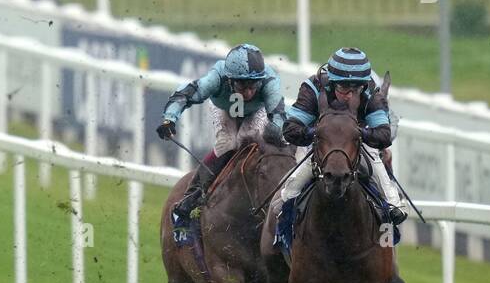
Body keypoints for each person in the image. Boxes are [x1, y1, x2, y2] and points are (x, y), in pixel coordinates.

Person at [279, 47, 406, 233]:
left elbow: (383, 135)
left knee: (374, 156)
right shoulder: (313, 88)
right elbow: (290, 129)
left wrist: (356, 133)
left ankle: (393, 203)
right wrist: (320, 133)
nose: (350, 95)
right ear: (331, 82)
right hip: (321, 146)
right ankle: (282, 232)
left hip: (358, 145)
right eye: (344, 87)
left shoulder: (370, 90)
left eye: (356, 89)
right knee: (289, 192)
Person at [156, 43, 286, 223]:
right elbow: (186, 94)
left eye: (253, 85)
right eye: (242, 85)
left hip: (257, 111)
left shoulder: (269, 80)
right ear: (230, 80)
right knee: (229, 143)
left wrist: (276, 131)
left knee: (253, 139)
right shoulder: (217, 77)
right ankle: (193, 192)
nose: (248, 92)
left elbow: (278, 116)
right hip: (223, 109)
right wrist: (169, 118)